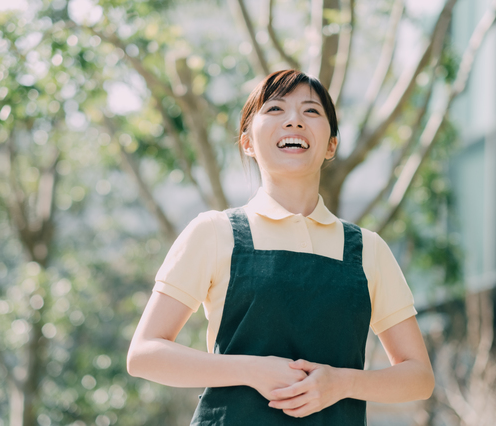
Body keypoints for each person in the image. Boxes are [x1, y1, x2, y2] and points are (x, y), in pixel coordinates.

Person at [127, 69, 435, 425]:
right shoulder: (214, 232)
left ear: (331, 144)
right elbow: (145, 354)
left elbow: (419, 377)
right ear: (247, 142)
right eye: (275, 109)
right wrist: (253, 370)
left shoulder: (368, 250)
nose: (294, 121)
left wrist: (341, 383)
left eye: (311, 111)